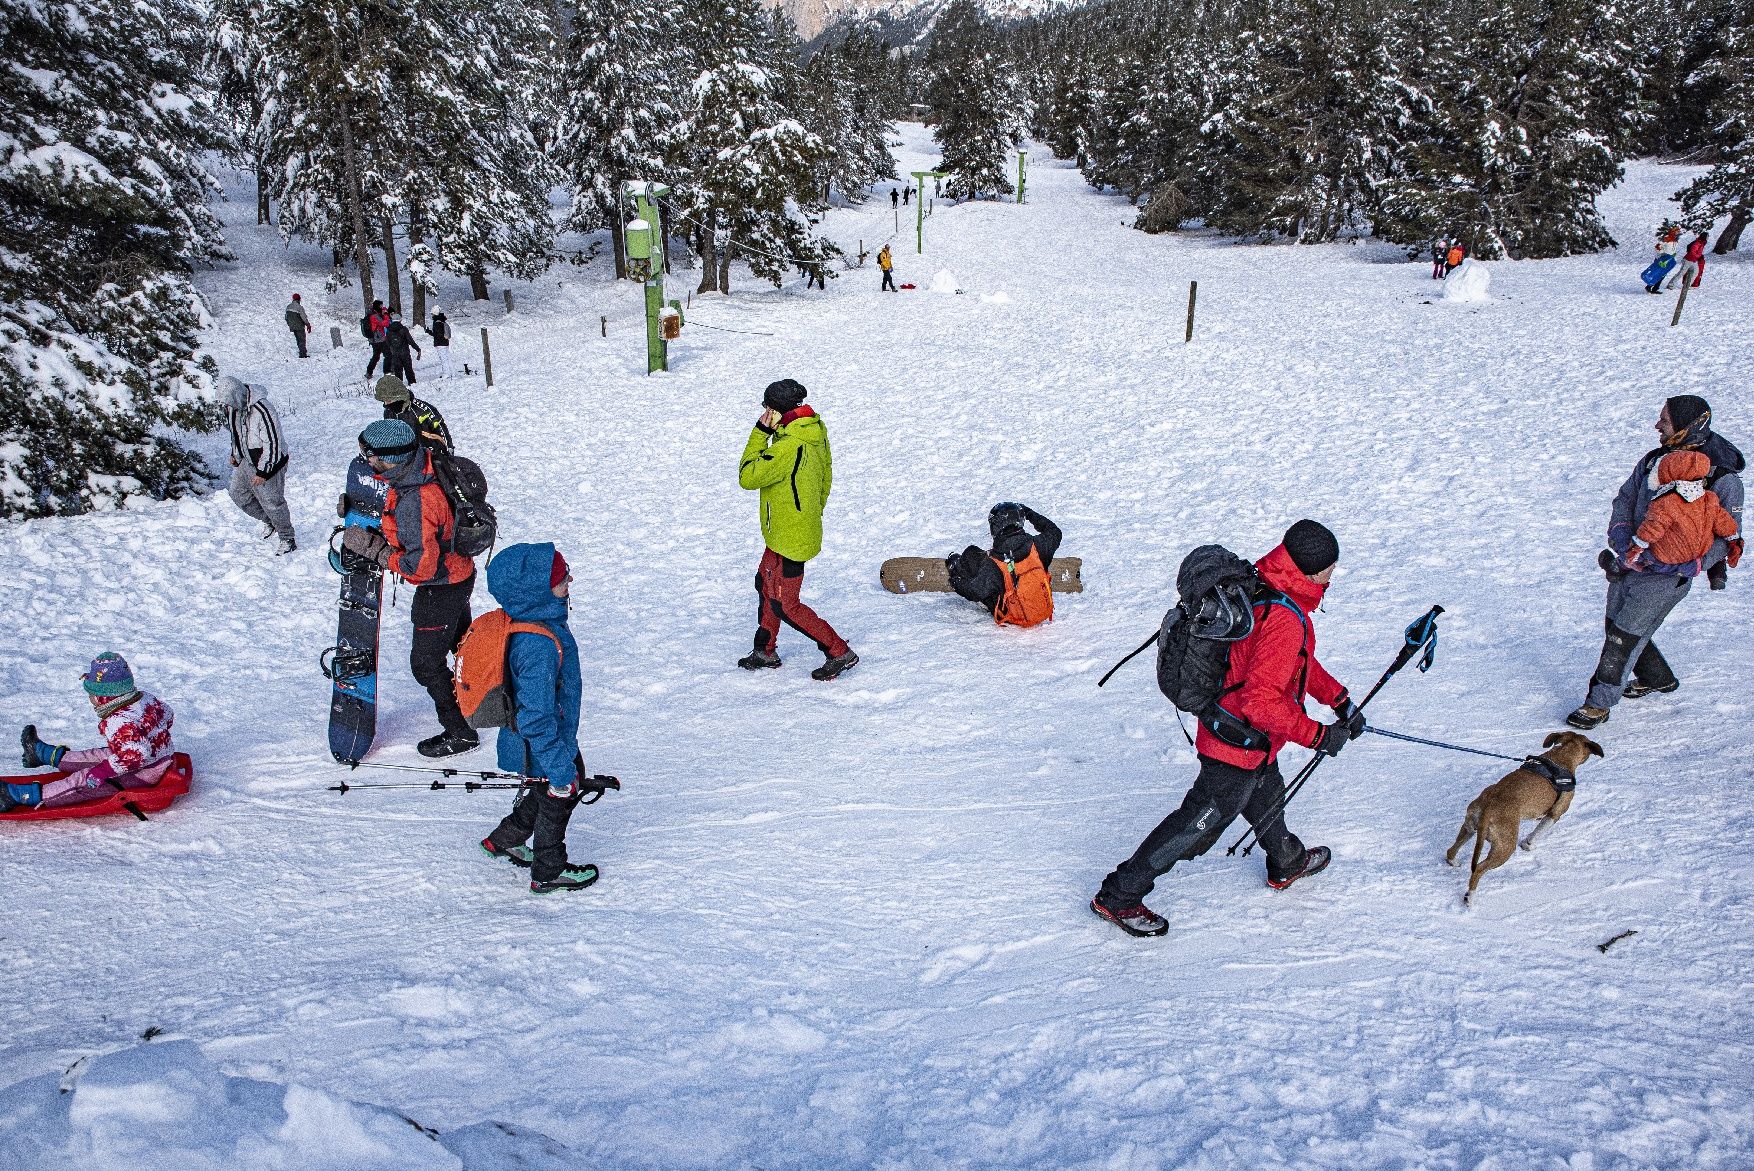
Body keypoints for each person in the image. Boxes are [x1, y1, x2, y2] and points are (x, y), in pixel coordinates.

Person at [1091, 520, 1360, 937]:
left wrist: (1339, 699)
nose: (1332, 576)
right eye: (1330, 569)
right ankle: (1119, 895)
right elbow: (1262, 702)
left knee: (1266, 793)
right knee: (1195, 826)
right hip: (1235, 744)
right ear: (1310, 572)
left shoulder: (1272, 591)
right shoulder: (1284, 618)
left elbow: (1298, 667)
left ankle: (1286, 861)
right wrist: (1318, 736)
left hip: (1250, 740)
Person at [1567, 396, 1743, 728]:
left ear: (1690, 425)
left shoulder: (1722, 478)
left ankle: (1597, 705)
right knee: (1616, 626)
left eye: (1665, 419)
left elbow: (1727, 537)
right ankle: (1657, 678)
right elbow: (1625, 498)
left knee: (1622, 637)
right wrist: (1623, 541)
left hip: (1666, 578)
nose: (1657, 425)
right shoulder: (1654, 461)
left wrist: (1687, 567)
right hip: (1628, 565)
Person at [477, 543, 612, 894]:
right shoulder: (537, 645)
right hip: (543, 742)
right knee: (560, 793)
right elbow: (535, 716)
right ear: (535, 590)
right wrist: (559, 765)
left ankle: (503, 840)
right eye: (560, 577)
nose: (569, 580)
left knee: (545, 790)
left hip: (539, 741)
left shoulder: (534, 621)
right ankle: (548, 871)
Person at [343, 419, 480, 757]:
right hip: (459, 574)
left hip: (440, 586)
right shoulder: (421, 464)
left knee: (426, 664)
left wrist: (375, 551)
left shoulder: (416, 500)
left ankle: (460, 732)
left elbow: (420, 568)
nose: (366, 460)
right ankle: (488, 697)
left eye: (370, 455)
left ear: (393, 458)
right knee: (461, 643)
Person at [736, 378, 857, 680]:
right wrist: (808, 513)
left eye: (767, 408)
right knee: (765, 584)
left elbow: (748, 476)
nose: (764, 412)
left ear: (776, 411)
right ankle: (765, 650)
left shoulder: (789, 446)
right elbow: (825, 478)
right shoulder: (813, 429)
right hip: (788, 530)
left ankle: (839, 651)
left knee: (785, 604)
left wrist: (759, 433)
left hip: (791, 537)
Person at [2, 654, 176, 812]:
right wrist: (152, 736)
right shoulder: (144, 698)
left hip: (142, 774)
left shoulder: (120, 721)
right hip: (155, 758)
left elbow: (134, 755)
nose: (90, 698)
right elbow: (167, 715)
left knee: (82, 780)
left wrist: (102, 772)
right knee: (96, 755)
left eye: (92, 694)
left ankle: (23, 796)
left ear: (105, 697)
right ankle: (42, 754)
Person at [947, 503, 1062, 626]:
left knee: (971, 553)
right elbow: (1055, 531)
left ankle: (955, 564)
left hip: (1012, 615)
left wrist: (955, 581)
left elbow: (975, 591)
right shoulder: (1039, 545)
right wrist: (1029, 513)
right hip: (1043, 609)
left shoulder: (994, 563)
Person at [1623, 451, 1739, 570]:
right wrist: (1734, 539)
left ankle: (1628, 563)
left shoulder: (1666, 501)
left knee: (1642, 549)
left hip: (1669, 554)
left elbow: (1654, 526)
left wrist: (1638, 544)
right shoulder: (1709, 498)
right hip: (1700, 552)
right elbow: (1723, 521)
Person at [223, 375, 295, 554]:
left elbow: (273, 443)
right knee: (238, 494)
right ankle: (270, 521)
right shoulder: (233, 409)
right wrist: (235, 454)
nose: (227, 407)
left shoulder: (263, 410)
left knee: (273, 502)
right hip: (246, 460)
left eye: (229, 402)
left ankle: (287, 538)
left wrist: (264, 472)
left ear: (237, 395)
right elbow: (236, 434)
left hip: (270, 462)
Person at [374, 375, 453, 452]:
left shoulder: (421, 409)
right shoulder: (389, 412)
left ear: (398, 396)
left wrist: (448, 450)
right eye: (384, 401)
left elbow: (440, 428)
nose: (386, 404)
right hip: (405, 455)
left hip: (429, 454)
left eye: (388, 401)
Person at [383, 309, 422, 384]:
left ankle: (399, 385)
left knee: (398, 371)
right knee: (408, 369)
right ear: (400, 320)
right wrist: (417, 349)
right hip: (405, 353)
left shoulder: (388, 331)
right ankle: (412, 383)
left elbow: (387, 343)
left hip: (395, 354)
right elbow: (410, 341)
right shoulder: (403, 329)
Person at [362, 300, 390, 378]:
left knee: (376, 356)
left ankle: (369, 372)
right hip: (379, 339)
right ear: (377, 306)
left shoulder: (372, 314)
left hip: (374, 340)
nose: (381, 307)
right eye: (380, 306)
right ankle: (387, 372)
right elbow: (385, 323)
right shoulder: (374, 316)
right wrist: (386, 314)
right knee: (388, 355)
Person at [285, 293, 312, 358]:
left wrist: (290, 324)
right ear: (299, 299)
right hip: (299, 326)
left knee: (298, 339)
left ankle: (301, 351)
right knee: (302, 340)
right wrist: (308, 324)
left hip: (292, 326)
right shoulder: (299, 307)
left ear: (293, 299)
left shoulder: (288, 306)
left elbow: (286, 317)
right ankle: (303, 354)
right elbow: (304, 317)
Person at [428, 310, 453, 379]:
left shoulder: (437, 323)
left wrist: (429, 332)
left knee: (443, 359)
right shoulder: (442, 321)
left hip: (440, 344)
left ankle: (446, 373)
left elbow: (437, 334)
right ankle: (451, 372)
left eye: (432, 314)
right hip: (445, 342)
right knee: (447, 358)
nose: (432, 315)